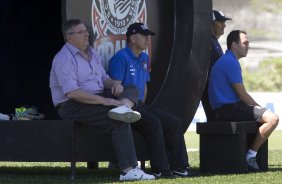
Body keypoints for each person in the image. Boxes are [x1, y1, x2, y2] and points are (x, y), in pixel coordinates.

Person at [49, 19, 155, 181]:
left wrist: (114, 84)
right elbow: (73, 93)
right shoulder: (63, 58)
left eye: (86, 30)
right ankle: (128, 170)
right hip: (71, 105)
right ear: (70, 38)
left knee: (132, 88)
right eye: (81, 32)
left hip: (97, 96)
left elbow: (104, 78)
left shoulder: (91, 52)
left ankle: (124, 108)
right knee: (118, 120)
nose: (86, 34)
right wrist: (106, 101)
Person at [108, 22, 192, 178]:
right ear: (133, 38)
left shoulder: (145, 58)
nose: (148, 39)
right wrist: (133, 106)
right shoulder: (120, 58)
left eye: (149, 36)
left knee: (174, 122)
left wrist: (143, 105)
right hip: (126, 108)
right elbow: (114, 89)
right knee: (153, 122)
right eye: (144, 35)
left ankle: (179, 166)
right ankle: (160, 169)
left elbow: (145, 86)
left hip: (141, 105)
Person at [208, 30, 279, 172]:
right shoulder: (230, 62)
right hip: (228, 109)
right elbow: (243, 95)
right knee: (272, 119)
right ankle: (250, 156)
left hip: (226, 109)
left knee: (267, 117)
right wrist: (261, 109)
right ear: (234, 45)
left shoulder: (228, 60)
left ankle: (250, 155)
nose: (248, 46)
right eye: (245, 43)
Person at [201, 10, 231, 121]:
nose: (224, 25)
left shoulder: (213, 41)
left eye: (224, 21)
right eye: (220, 21)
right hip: (211, 91)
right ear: (210, 23)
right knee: (215, 122)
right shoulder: (208, 42)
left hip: (215, 90)